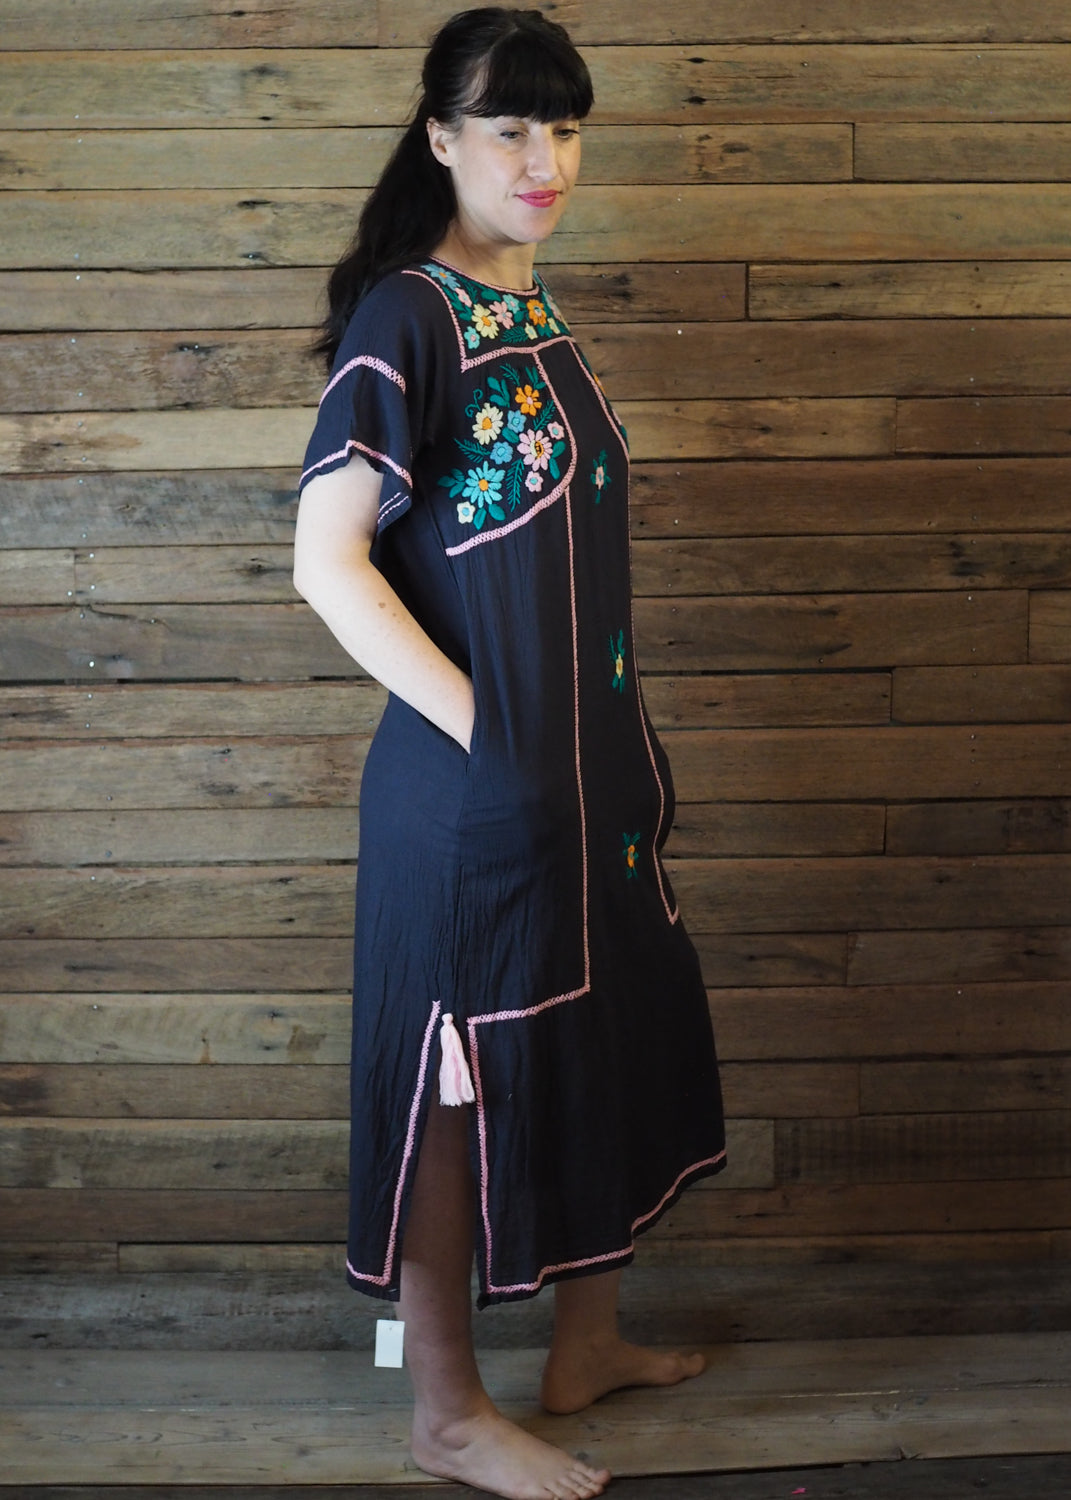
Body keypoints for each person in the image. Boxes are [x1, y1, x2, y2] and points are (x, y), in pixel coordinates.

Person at [292, 9, 727, 1497]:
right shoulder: (408, 317)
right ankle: (447, 1413)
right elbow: (328, 562)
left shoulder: (531, 311)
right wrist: (493, 737)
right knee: (454, 1088)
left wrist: (591, 755)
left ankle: (584, 1346)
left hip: (593, 793)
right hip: (475, 800)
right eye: (509, 128)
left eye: (564, 128)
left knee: (602, 1039)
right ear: (441, 138)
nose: (544, 160)